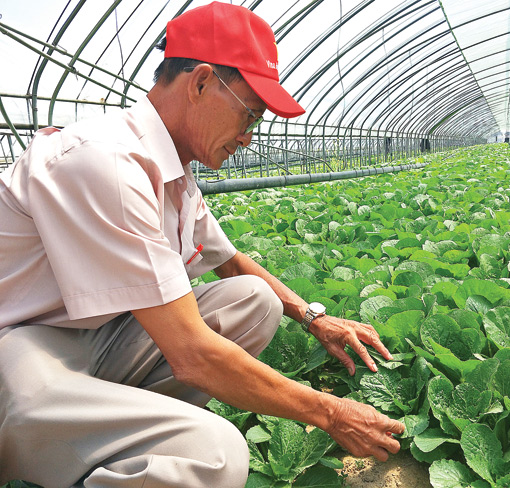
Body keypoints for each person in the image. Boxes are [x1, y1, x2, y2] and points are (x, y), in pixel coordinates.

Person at [0, 2, 404, 487]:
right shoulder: (106, 162)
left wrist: (313, 317)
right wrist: (330, 412)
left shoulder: (175, 170)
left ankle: (118, 444)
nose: (249, 138)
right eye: (249, 115)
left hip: (94, 337)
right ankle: (94, 451)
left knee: (255, 303)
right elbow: (191, 352)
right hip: (20, 350)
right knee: (216, 455)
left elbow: (230, 263)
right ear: (201, 82)